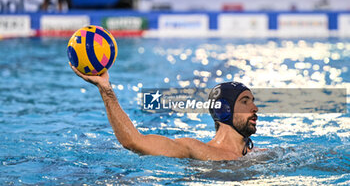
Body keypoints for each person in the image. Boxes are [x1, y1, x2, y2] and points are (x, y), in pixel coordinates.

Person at [70, 63, 259, 161]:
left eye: (253, 101)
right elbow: (134, 141)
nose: (255, 108)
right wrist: (106, 90)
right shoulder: (195, 150)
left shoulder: (262, 156)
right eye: (245, 102)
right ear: (224, 109)